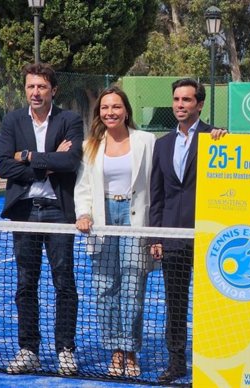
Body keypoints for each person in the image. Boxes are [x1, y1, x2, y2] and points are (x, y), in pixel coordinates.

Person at [0, 63, 82, 376]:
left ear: (53, 90)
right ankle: (29, 349)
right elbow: (4, 166)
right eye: (31, 86)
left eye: (42, 87)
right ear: (26, 89)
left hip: (59, 210)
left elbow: (70, 161)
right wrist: (46, 164)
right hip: (24, 210)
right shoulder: (12, 120)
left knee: (64, 283)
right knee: (25, 284)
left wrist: (28, 155)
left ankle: (65, 351)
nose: (36, 92)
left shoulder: (70, 119)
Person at [74, 86, 156, 377]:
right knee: (104, 290)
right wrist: (83, 213)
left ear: (126, 110)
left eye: (116, 107)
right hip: (102, 221)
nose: (110, 112)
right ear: (99, 113)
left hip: (135, 220)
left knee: (133, 290)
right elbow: (83, 187)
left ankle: (131, 351)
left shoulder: (147, 141)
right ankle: (116, 351)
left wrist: (157, 233)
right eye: (105, 108)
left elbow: (155, 186)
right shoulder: (90, 145)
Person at [149, 78, 226, 383]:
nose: (180, 105)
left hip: (209, 238)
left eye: (187, 100)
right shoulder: (162, 144)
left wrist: (227, 140)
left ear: (200, 104)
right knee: (176, 303)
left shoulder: (216, 137)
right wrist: (156, 236)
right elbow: (158, 195)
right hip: (174, 239)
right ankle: (177, 362)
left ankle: (212, 364)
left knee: (211, 304)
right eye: (177, 100)